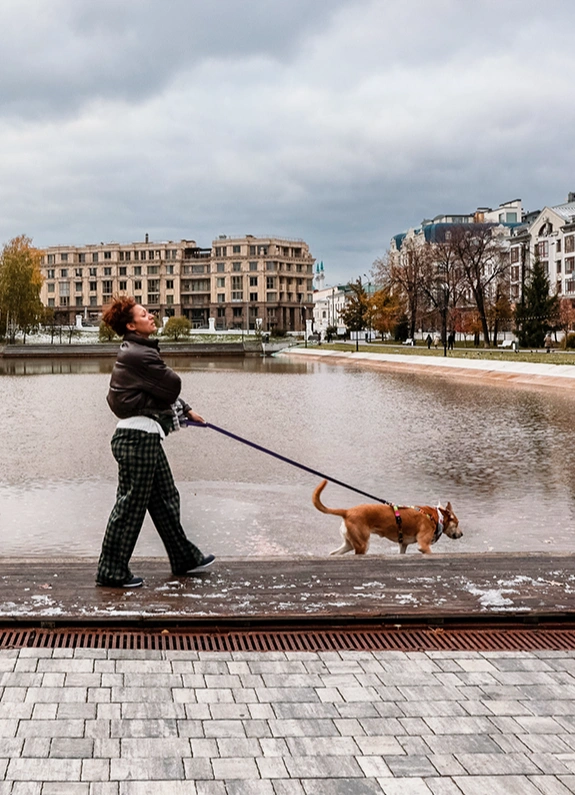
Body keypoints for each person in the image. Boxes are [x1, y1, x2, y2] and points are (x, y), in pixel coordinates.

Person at [96, 297, 214, 588]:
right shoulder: (139, 354)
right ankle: (110, 571)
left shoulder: (136, 351)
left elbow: (159, 391)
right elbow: (171, 385)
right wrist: (175, 399)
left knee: (165, 499)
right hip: (138, 439)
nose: (151, 316)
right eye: (144, 314)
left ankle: (184, 557)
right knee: (130, 506)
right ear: (131, 325)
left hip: (143, 436)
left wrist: (185, 410)